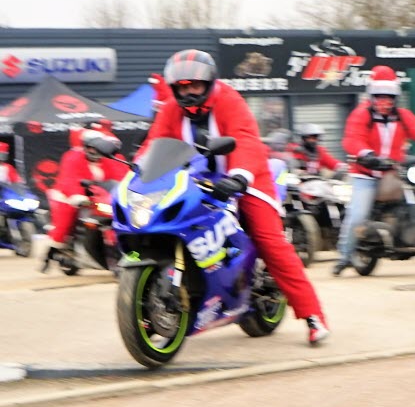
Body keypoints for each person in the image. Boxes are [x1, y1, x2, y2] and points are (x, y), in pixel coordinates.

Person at [141, 50, 330, 344]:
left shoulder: (229, 100)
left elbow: (245, 139)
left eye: (195, 85)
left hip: (245, 177)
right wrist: (138, 172)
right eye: (182, 87)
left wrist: (239, 176)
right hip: (195, 180)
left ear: (209, 83)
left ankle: (313, 316)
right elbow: (154, 146)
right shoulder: (170, 109)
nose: (188, 92)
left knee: (270, 241)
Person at [333, 66, 415, 274]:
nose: (384, 102)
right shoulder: (361, 114)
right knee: (358, 214)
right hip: (367, 173)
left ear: (395, 97)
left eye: (389, 97)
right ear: (372, 96)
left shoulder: (403, 115)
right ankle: (345, 255)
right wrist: (366, 155)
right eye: (379, 97)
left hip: (395, 171)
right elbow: (352, 138)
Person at [42, 126, 129, 269]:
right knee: (66, 220)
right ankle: (53, 250)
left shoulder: (108, 159)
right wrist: (77, 196)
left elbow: (120, 177)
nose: (94, 151)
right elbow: (69, 179)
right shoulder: (72, 157)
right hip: (69, 195)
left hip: (98, 197)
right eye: (91, 148)